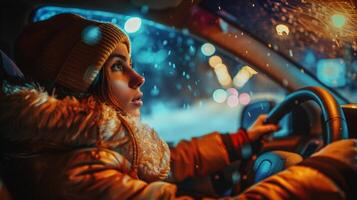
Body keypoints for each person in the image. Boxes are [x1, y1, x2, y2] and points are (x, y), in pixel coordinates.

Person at [0, 13, 355, 200]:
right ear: (81, 84)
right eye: (118, 67)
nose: (139, 78)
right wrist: (327, 173)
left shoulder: (90, 147)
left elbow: (168, 162)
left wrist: (241, 142)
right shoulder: (78, 169)